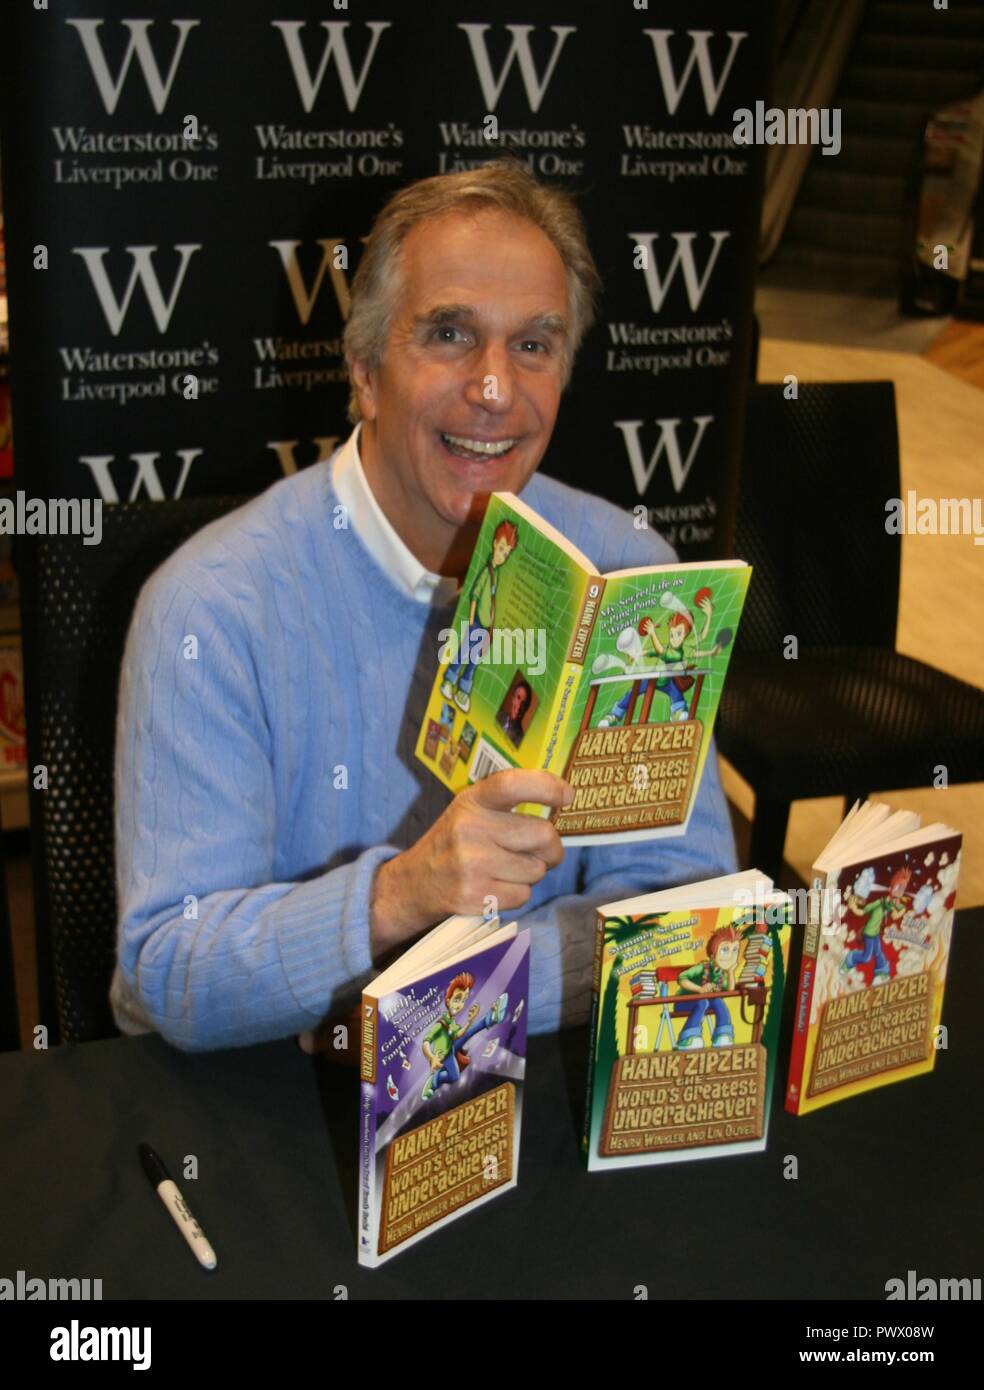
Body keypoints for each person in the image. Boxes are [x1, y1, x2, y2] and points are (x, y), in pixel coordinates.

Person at [110, 157, 738, 1052]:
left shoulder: (626, 572)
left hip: (527, 1084)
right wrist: (404, 895)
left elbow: (686, 910)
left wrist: (444, 1000)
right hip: (278, 1110)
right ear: (364, 371)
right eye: (449, 334)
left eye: (534, 344)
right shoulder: (208, 611)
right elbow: (169, 974)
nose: (494, 388)